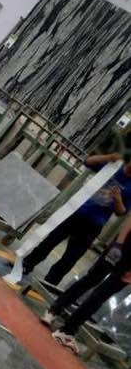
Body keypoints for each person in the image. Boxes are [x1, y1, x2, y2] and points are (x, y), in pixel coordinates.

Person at [21, 150, 131, 288]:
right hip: (77, 211)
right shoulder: (113, 168)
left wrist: (117, 199)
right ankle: (27, 264)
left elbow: (121, 212)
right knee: (50, 241)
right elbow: (88, 161)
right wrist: (108, 156)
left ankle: (49, 283)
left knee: (70, 258)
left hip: (94, 224)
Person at [42, 213, 131, 352]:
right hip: (124, 250)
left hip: (123, 251)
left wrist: (118, 244)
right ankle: (60, 320)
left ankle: (61, 321)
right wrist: (119, 244)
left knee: (96, 288)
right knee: (95, 286)